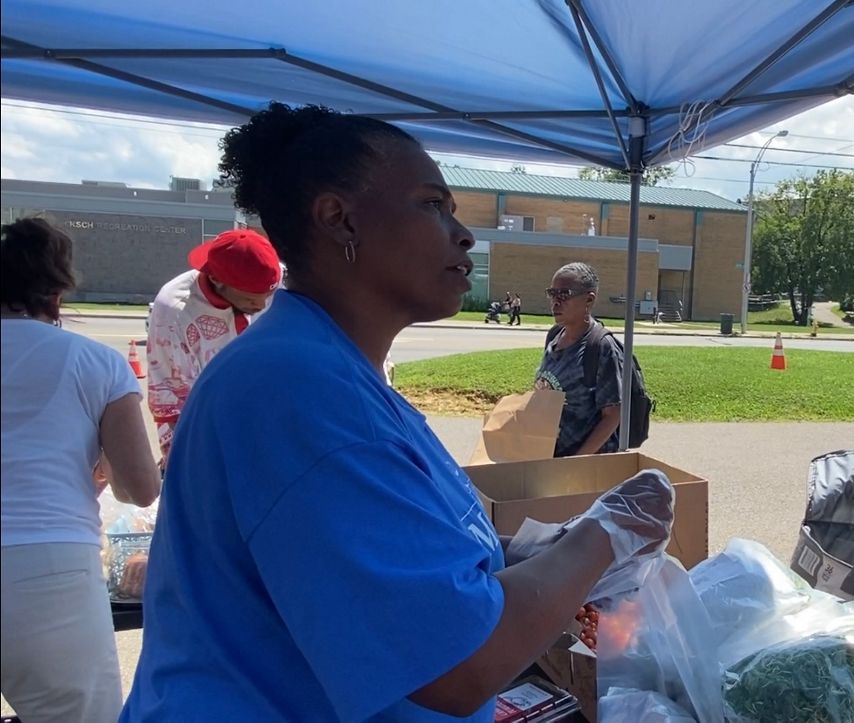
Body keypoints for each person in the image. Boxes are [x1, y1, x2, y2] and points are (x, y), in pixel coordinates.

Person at [121, 103, 672, 722]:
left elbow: (392, 549)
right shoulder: (301, 394)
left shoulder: (328, 370)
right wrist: (607, 534)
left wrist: (529, 554)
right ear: (339, 219)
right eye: (433, 205)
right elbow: (458, 664)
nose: (463, 234)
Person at [1, 218, 161, 723]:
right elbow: (139, 487)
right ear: (56, 291)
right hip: (47, 569)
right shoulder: (95, 361)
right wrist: (102, 468)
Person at [147, 228, 281, 464]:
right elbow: (170, 389)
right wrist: (179, 452)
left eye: (266, 295)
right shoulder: (175, 309)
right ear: (216, 280)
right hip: (209, 417)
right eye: (251, 299)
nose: (261, 305)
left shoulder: (276, 278)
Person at [535, 263, 624, 457]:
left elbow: (613, 415)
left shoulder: (600, 347)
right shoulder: (554, 335)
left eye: (564, 294)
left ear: (589, 300)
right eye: (552, 293)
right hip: (548, 456)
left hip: (582, 468)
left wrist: (577, 461)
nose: (556, 302)